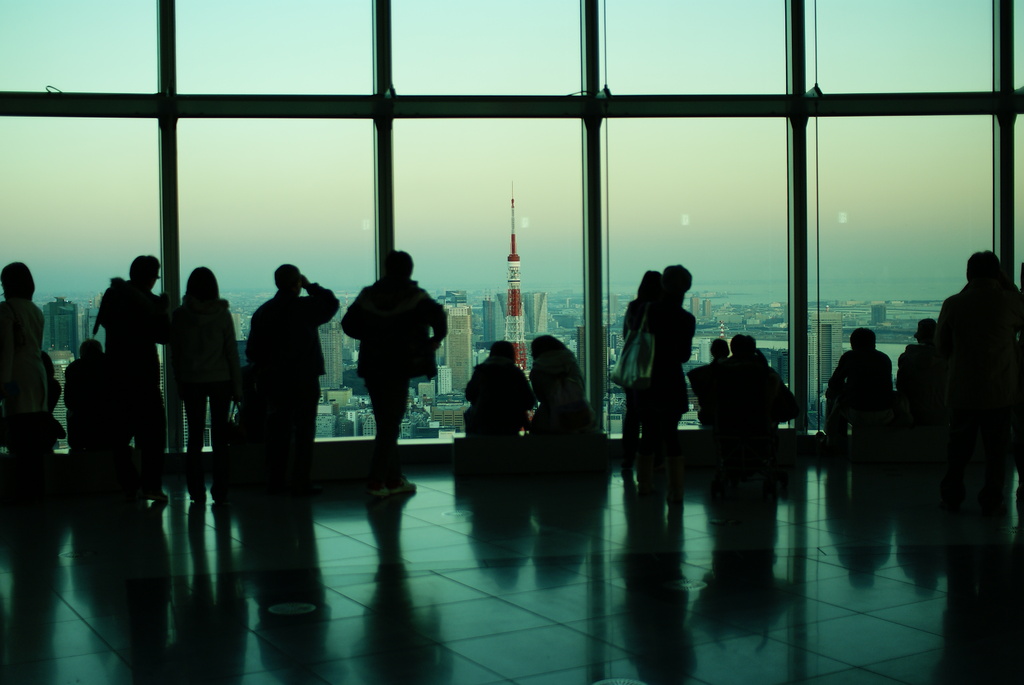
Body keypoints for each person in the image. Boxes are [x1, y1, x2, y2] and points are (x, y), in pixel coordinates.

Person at [342, 251, 446, 498]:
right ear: (409, 270)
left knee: (386, 423)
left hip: (373, 364)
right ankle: (377, 481)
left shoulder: (369, 295)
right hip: (400, 364)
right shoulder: (414, 296)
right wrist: (434, 340)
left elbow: (348, 324)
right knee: (391, 424)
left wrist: (370, 336)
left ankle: (393, 478)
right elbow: (438, 317)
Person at [936, 251, 1024, 515]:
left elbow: (941, 346)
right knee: (996, 451)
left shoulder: (954, 304)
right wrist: (1006, 284)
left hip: (963, 389)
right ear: (997, 274)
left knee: (958, 449)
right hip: (999, 389)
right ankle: (992, 499)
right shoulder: (1009, 302)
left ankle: (952, 497)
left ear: (968, 274)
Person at [246, 264, 339, 496]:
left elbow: (252, 352)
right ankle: (301, 482)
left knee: (277, 431)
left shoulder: (263, 312)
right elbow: (332, 304)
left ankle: (275, 482)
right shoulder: (305, 307)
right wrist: (310, 286)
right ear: (297, 283)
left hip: (275, 380)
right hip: (304, 379)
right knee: (305, 431)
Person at [94, 255, 171, 501]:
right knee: (154, 435)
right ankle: (151, 485)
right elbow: (164, 336)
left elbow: (104, 322)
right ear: (151, 278)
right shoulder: (152, 303)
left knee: (119, 434)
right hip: (144, 375)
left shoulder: (112, 295)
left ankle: (129, 484)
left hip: (116, 373)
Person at [170, 267, 243, 504]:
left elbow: (176, 353)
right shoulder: (222, 315)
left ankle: (196, 491)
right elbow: (232, 353)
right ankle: (220, 490)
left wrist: (179, 380)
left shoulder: (180, 315)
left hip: (191, 380)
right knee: (221, 439)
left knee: (194, 437)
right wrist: (238, 387)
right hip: (221, 380)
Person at [634, 265, 695, 502]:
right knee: (671, 436)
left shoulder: (646, 311)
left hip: (647, 379)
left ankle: (644, 485)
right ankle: (676, 490)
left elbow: (635, 342)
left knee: (648, 434)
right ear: (686, 288)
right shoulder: (686, 319)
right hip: (671, 380)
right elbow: (684, 356)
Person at [0, 263, 49, 499]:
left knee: (19, 435)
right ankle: (37, 490)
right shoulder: (35, 310)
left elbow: (6, 351)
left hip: (17, 377)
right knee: (35, 437)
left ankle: (24, 492)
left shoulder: (6, 309)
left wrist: (4, 384)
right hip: (38, 377)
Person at [620, 270, 663, 469]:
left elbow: (625, 336)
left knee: (633, 414)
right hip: (658, 370)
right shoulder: (662, 309)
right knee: (654, 416)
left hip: (635, 368)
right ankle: (654, 458)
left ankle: (628, 457)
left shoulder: (634, 307)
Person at [824, 327, 895, 448]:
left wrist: (845, 388)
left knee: (831, 394)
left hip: (859, 412)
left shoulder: (850, 356)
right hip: (885, 411)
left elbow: (834, 383)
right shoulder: (884, 358)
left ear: (853, 343)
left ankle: (832, 440)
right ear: (874, 342)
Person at [464, 341, 534, 436]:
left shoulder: (481, 371)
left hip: (483, 422)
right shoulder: (515, 373)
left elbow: (469, 395)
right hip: (510, 424)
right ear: (512, 354)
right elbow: (529, 401)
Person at [528, 335, 594, 435]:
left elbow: (540, 396)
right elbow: (581, 387)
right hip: (578, 417)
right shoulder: (571, 363)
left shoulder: (538, 369)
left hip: (547, 420)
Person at [896, 318, 948, 426]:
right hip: (942, 415)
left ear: (918, 337)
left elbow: (901, 387)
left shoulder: (906, 358)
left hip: (912, 414)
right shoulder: (947, 360)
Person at [64, 338, 113, 452]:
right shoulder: (112, 366)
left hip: (80, 435)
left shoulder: (73, 368)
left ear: (82, 352)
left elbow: (69, 402)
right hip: (109, 433)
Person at [686, 337, 730, 426]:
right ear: (728, 351)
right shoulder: (737, 372)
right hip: (732, 416)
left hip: (707, 416)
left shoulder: (699, 373)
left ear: (712, 352)